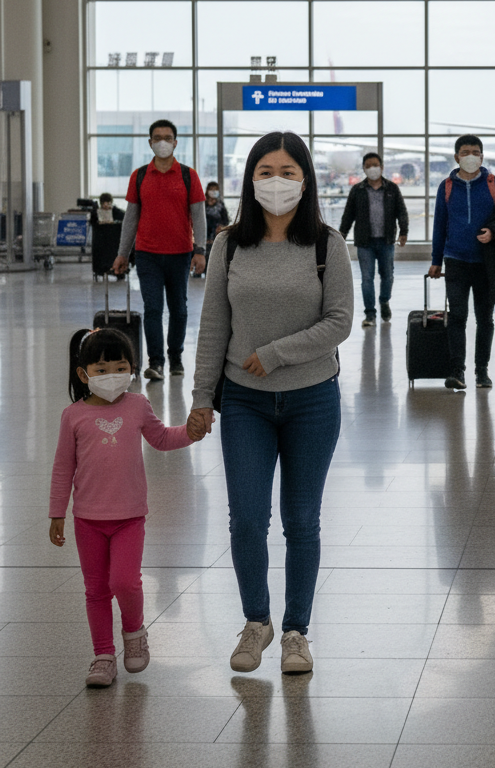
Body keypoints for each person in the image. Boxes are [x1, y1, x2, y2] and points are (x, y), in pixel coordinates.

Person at [188, 131, 353, 675]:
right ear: (249, 178)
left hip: (312, 401)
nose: (276, 181)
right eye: (265, 171)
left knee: (301, 520)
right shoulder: (228, 244)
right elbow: (213, 327)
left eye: (287, 171)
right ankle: (255, 622)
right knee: (246, 519)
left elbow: (340, 323)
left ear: (304, 179)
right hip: (244, 404)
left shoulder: (328, 244)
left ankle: (296, 631)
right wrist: (201, 398)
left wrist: (275, 353)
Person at [49, 328, 197, 687]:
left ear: (132, 368)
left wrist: (191, 431)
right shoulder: (73, 415)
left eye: (119, 366)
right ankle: (102, 655)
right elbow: (62, 467)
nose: (111, 374)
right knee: (96, 589)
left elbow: (161, 438)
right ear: (84, 374)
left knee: (125, 582)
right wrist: (57, 513)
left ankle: (134, 632)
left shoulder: (137, 406)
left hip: (130, 517)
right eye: (101, 369)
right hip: (88, 519)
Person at [112, 120, 206, 381]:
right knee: (153, 309)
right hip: (147, 255)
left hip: (180, 254)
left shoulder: (188, 175)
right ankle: (157, 362)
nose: (162, 142)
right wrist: (122, 253)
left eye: (167, 137)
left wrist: (200, 250)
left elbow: (198, 216)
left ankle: (175, 356)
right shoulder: (139, 176)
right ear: (150, 142)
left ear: (175, 143)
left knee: (179, 309)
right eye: (157, 137)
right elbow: (130, 219)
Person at [429, 135, 495, 391]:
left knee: (485, 318)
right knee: (457, 317)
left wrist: (494, 232)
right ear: (456, 157)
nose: (471, 156)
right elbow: (439, 225)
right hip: (455, 259)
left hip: (486, 262)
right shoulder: (446, 187)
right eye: (465, 152)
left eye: (475, 152)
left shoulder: (494, 184)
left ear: (482, 156)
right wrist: (436, 260)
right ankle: (457, 370)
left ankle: (482, 371)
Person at [340, 152, 409, 328]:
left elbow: (401, 211)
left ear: (382, 167)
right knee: (366, 278)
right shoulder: (357, 190)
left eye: (375, 165)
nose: (372, 169)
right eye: (368, 166)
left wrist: (403, 231)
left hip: (386, 241)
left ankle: (384, 301)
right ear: (364, 169)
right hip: (365, 242)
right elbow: (348, 215)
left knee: (388, 276)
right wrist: (341, 236)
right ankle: (370, 313)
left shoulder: (392, 189)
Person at [203, 181, 230, 265]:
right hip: (204, 236)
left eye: (216, 190)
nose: (214, 192)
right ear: (207, 191)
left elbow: (226, 219)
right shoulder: (203, 204)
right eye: (211, 189)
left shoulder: (220, 204)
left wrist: (222, 226)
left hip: (216, 236)